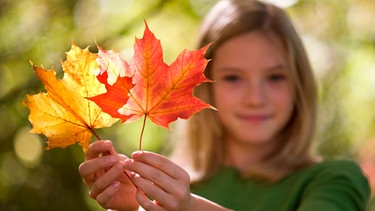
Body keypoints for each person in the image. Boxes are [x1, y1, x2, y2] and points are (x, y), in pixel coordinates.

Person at [78, 0, 370, 210]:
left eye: (275, 77)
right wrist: (135, 208)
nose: (256, 98)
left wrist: (191, 207)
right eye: (233, 78)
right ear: (205, 89)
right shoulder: (169, 189)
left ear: (299, 85)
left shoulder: (334, 179)